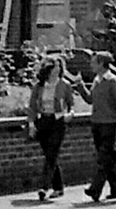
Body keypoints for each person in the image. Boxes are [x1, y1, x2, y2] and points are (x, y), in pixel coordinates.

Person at [82, 49, 116, 202]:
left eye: (94, 62)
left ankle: (95, 190)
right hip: (97, 123)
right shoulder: (97, 80)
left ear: (102, 64)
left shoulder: (113, 81)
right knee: (107, 159)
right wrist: (79, 85)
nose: (91, 65)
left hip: (110, 124)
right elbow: (90, 99)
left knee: (103, 158)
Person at [27, 55, 74, 201]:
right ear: (48, 69)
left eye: (60, 67)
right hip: (43, 121)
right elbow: (32, 106)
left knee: (52, 153)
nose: (58, 69)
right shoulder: (39, 86)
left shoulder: (65, 85)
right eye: (55, 67)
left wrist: (70, 114)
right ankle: (59, 187)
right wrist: (31, 124)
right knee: (49, 155)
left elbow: (71, 104)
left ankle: (44, 187)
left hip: (58, 121)